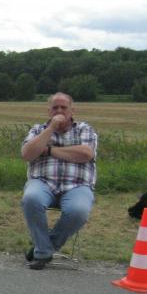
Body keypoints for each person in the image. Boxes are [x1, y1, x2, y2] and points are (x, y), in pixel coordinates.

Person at [21, 92, 97, 270]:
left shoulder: (84, 129)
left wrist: (48, 150)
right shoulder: (38, 130)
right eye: (55, 108)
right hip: (42, 182)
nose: (60, 111)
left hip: (77, 184)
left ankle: (43, 249)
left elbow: (85, 154)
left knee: (78, 211)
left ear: (72, 110)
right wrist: (51, 129)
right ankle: (43, 252)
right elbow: (27, 154)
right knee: (31, 199)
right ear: (49, 111)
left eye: (64, 107)